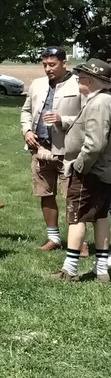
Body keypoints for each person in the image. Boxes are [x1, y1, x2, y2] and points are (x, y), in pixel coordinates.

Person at [52, 58, 111, 281]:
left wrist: (80, 165)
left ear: (91, 80)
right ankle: (102, 268)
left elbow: (95, 143)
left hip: (90, 171)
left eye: (81, 76)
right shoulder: (104, 99)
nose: (78, 79)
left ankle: (70, 269)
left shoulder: (99, 102)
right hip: (104, 171)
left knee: (77, 217)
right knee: (100, 216)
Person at [20, 47, 82, 250]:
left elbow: (87, 117)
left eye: (52, 64)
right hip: (41, 149)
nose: (48, 69)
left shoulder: (79, 83)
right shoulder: (37, 84)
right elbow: (26, 111)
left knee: (73, 197)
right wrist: (27, 130)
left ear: (65, 63)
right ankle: (53, 238)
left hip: (69, 151)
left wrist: (62, 119)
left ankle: (79, 242)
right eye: (44, 64)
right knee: (45, 194)